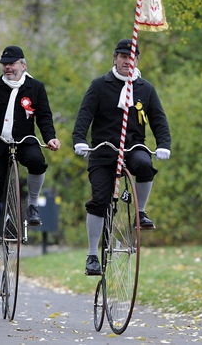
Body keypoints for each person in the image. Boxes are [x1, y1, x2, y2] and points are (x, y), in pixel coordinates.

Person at [72, 39, 171, 275]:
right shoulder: (99, 85)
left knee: (145, 164)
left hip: (133, 148)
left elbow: (158, 119)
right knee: (99, 200)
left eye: (132, 57)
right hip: (103, 152)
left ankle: (140, 212)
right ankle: (92, 255)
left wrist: (164, 144)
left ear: (136, 60)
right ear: (115, 58)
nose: (128, 61)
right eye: (123, 57)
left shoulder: (145, 88)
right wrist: (79, 140)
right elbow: (84, 116)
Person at [0, 45, 61, 258]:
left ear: (23, 65)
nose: (7, 68)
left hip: (24, 142)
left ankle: (31, 205)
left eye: (11, 64)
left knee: (38, 162)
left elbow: (44, 118)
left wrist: (50, 138)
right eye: (5, 64)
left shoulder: (35, 88)